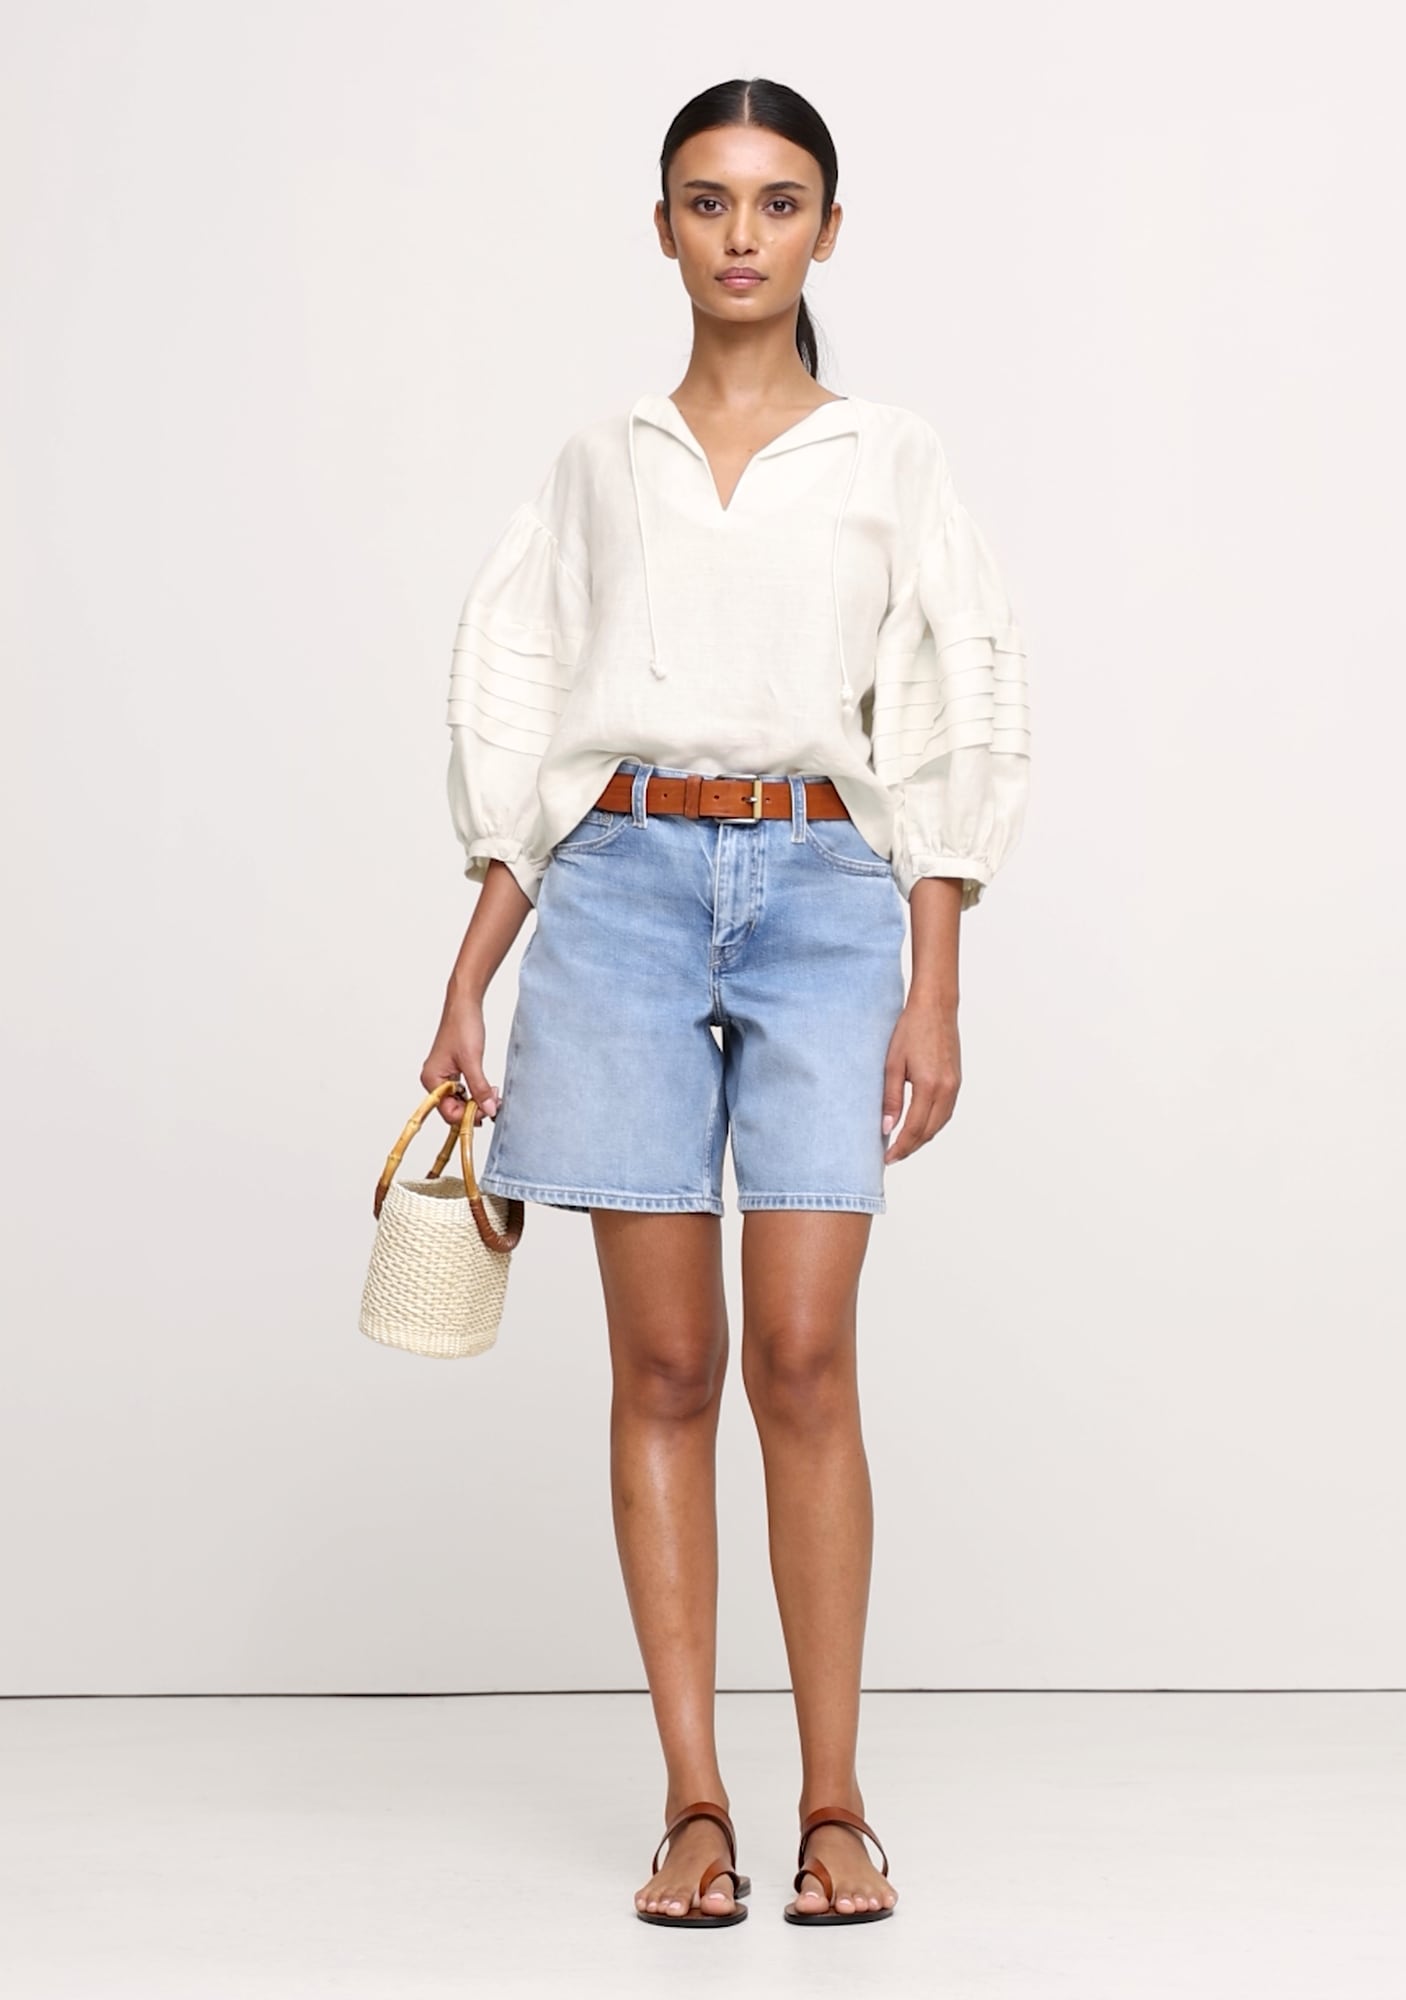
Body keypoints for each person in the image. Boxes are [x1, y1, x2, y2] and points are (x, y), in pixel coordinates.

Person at [421, 76, 1031, 1929]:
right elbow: (533, 711)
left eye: (778, 202)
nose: (743, 234)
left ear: (828, 230)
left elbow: (951, 709)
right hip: (613, 893)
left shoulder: (890, 458)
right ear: (664, 227)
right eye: (708, 201)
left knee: (804, 1356)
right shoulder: (598, 461)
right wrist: (468, 981)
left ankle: (837, 1805)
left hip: (827, 898)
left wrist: (937, 979)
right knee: (666, 1367)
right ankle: (695, 1805)